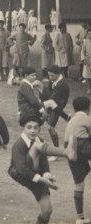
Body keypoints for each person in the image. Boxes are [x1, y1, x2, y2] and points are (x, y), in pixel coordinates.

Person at [8, 113, 77, 224]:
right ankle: (66, 152)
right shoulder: (18, 144)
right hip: (19, 173)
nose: (32, 131)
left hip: (35, 174)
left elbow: (43, 161)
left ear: (39, 129)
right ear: (24, 128)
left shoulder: (39, 139)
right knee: (36, 146)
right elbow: (21, 168)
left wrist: (46, 174)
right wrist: (40, 179)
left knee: (47, 210)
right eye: (29, 127)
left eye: (36, 128)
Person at [64, 96, 91, 224]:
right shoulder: (86, 118)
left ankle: (79, 217)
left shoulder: (72, 119)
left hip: (69, 148)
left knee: (79, 182)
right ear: (88, 108)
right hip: (82, 145)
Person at [42, 65, 70, 161]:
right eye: (49, 75)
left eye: (52, 76)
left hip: (58, 106)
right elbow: (48, 93)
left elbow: (52, 100)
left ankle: (56, 152)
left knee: (50, 127)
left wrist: (39, 106)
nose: (50, 78)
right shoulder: (54, 79)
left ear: (59, 74)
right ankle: (67, 118)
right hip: (53, 103)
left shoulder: (62, 84)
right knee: (49, 125)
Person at [81, 29, 91, 94]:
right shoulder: (85, 42)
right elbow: (82, 51)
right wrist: (83, 59)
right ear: (87, 34)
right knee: (89, 76)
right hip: (88, 60)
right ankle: (89, 88)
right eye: (89, 34)